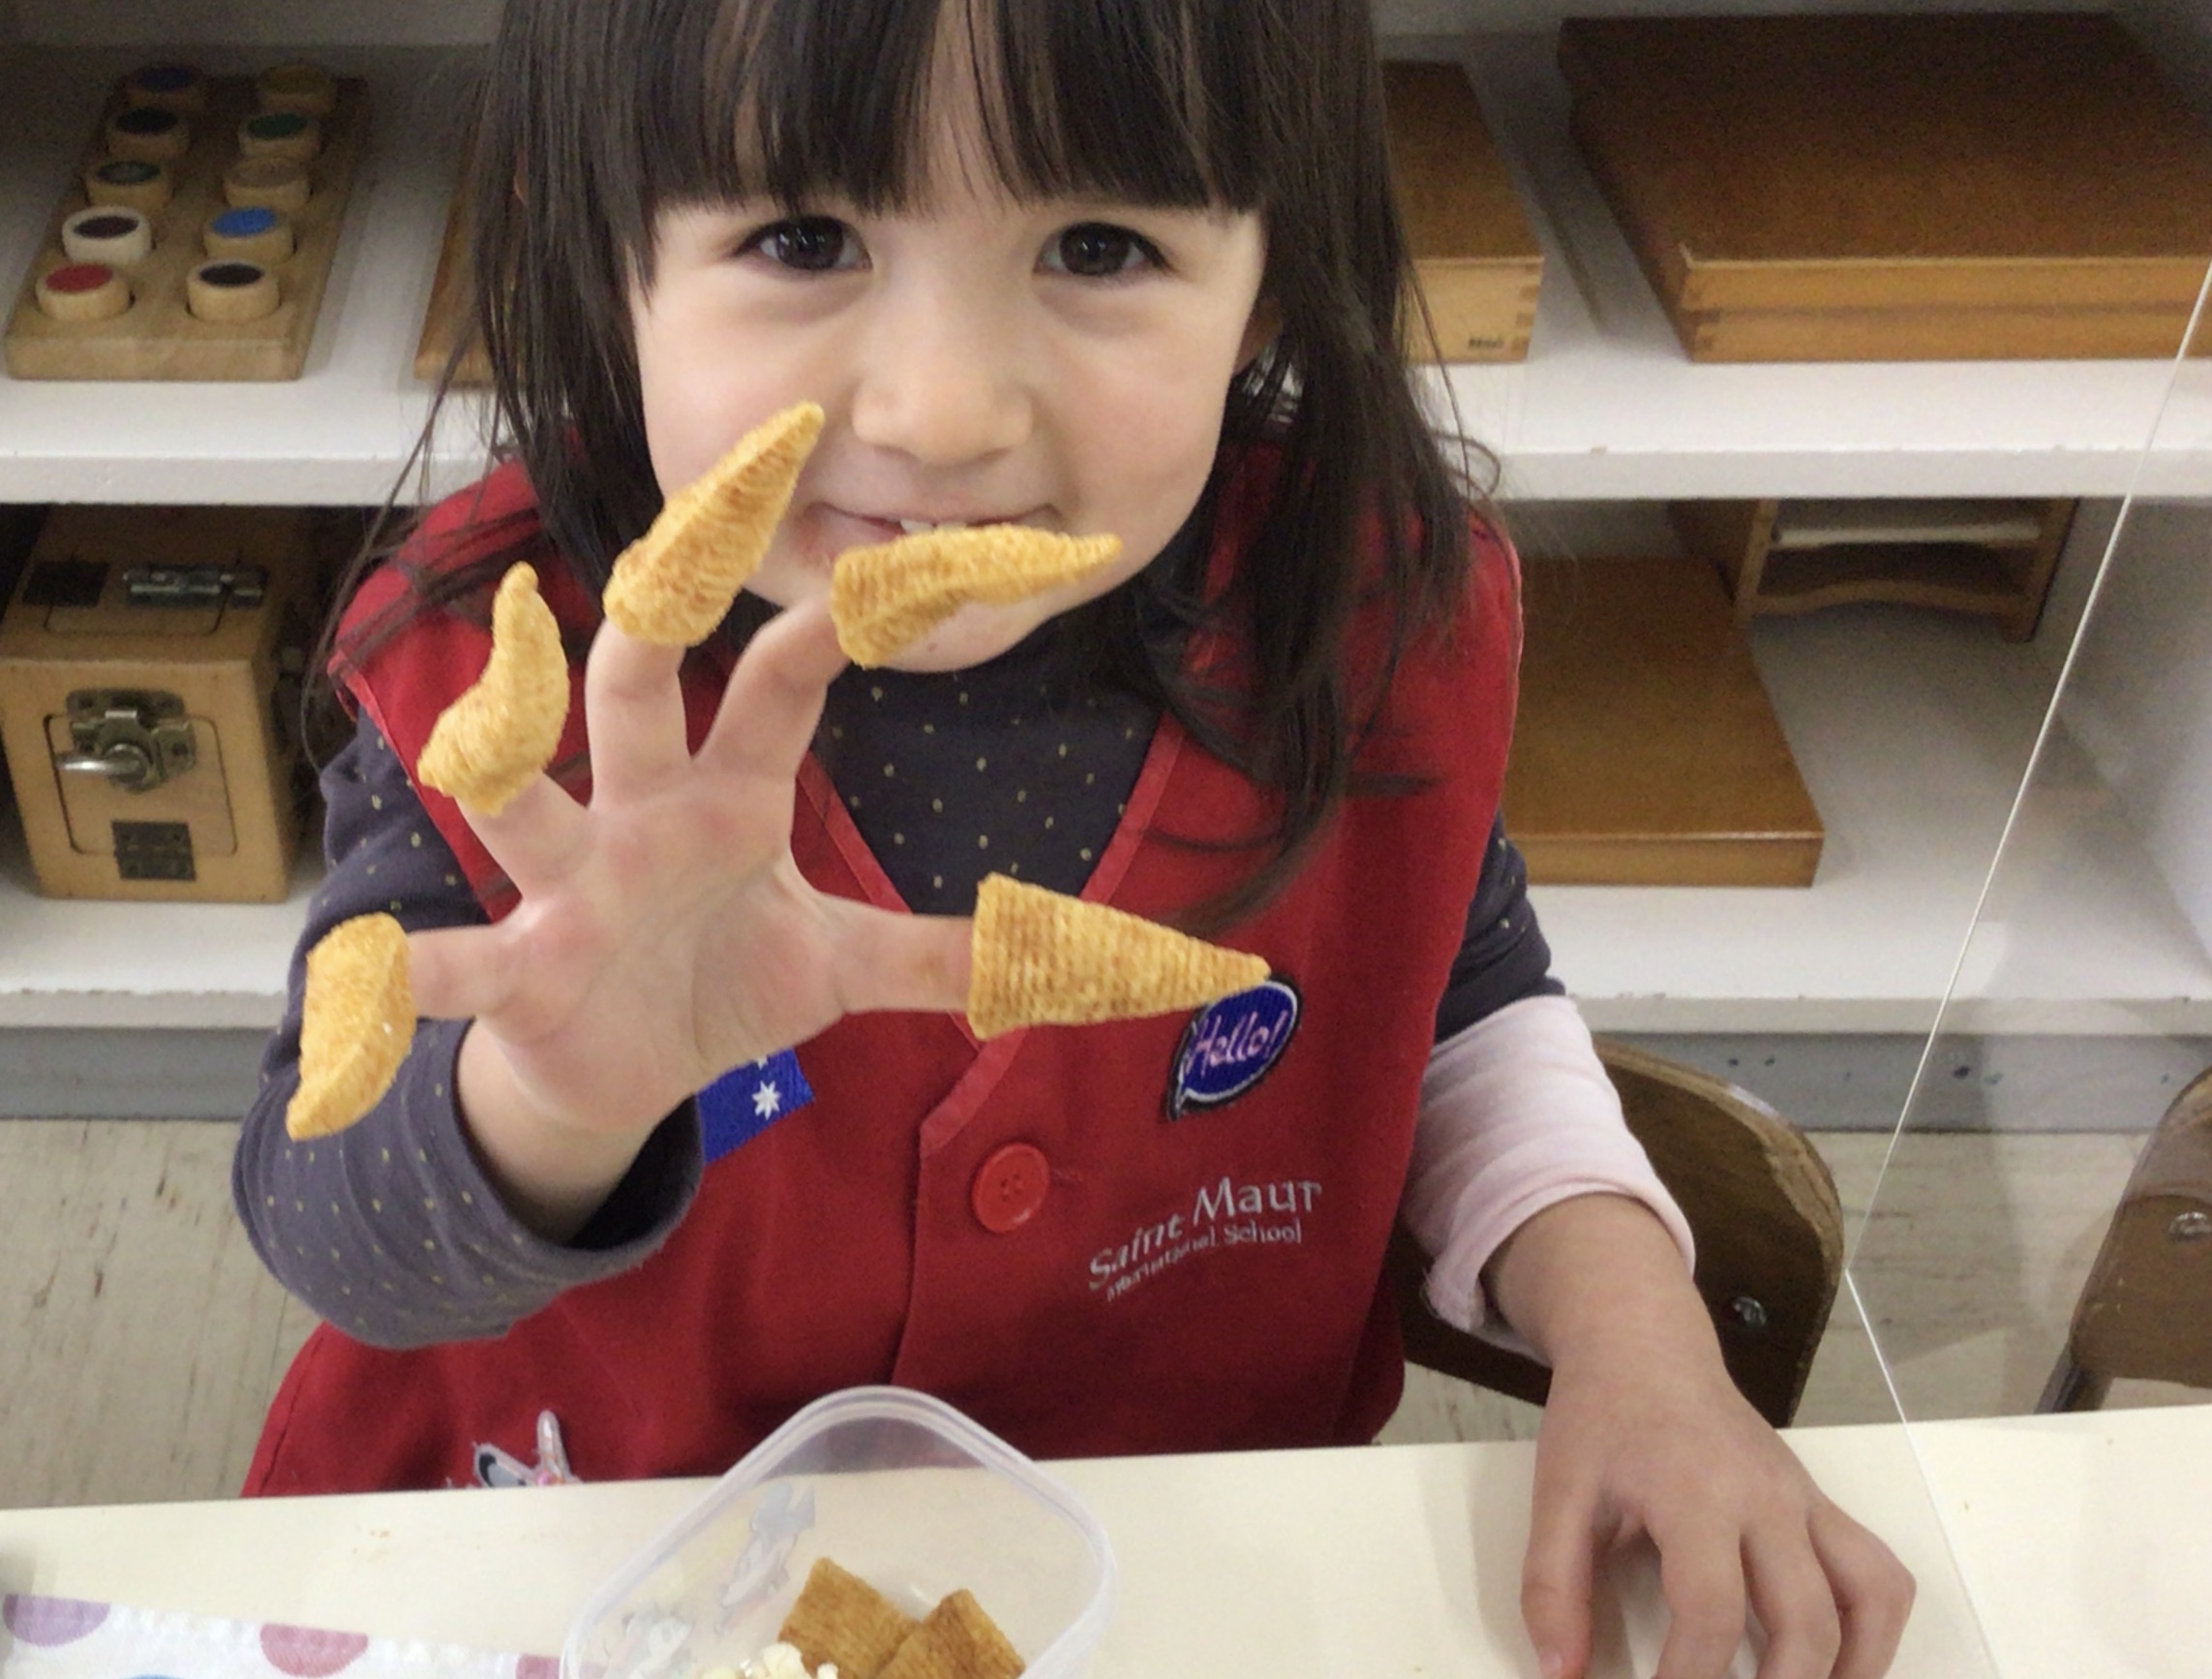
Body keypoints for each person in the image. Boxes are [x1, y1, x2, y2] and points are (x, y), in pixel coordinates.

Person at [232, 1, 1913, 1673]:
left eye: (1098, 246)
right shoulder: (500, 684)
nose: (944, 412)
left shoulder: (1351, 620)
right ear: (604, 245)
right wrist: (550, 1100)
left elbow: (1456, 1001)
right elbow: (326, 1221)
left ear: (1270, 275)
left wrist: (1637, 1336)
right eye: (804, 239)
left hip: (1170, 1582)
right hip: (593, 1571)